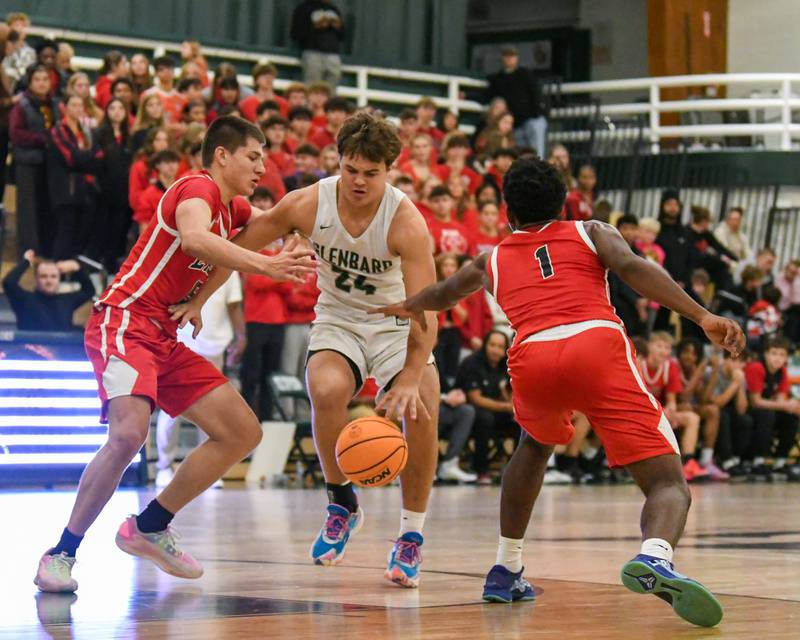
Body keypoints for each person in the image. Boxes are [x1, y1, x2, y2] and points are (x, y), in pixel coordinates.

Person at [375, 156, 744, 627]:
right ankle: (655, 556)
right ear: (564, 202)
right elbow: (634, 267)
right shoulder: (590, 230)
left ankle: (506, 569)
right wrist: (703, 317)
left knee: (532, 446)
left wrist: (407, 304)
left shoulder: (491, 258)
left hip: (532, 356)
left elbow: (443, 293)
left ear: (508, 212)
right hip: (596, 344)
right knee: (667, 481)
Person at [32, 116, 316, 593]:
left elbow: (278, 217)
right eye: (253, 155)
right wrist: (268, 265)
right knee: (128, 435)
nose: (262, 166)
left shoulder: (233, 208)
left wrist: (325, 217)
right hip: (125, 321)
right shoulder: (196, 189)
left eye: (265, 156)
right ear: (222, 155)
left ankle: (149, 525)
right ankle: (61, 553)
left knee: (241, 432)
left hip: (163, 337)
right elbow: (197, 240)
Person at [172, 112, 440, 588]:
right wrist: (199, 297)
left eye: (371, 173)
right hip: (339, 318)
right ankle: (341, 501)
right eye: (351, 169)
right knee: (324, 385)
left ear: (389, 172)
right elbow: (237, 245)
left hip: (397, 325)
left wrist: (413, 374)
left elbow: (427, 312)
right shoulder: (308, 203)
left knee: (419, 407)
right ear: (338, 161)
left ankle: (411, 536)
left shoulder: (406, 224)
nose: (358, 181)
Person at [155, 271, 245, 488]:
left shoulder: (228, 263)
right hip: (181, 343)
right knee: (172, 410)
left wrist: (241, 336)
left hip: (215, 346)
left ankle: (208, 471)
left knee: (212, 411)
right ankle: (164, 466)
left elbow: (233, 305)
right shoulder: (186, 258)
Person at [456, 329, 519, 485]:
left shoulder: (506, 365)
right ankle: (482, 470)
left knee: (521, 420)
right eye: (492, 345)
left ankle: (516, 470)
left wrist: (512, 405)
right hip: (468, 410)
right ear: (485, 345)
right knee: (485, 418)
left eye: (500, 346)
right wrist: (506, 406)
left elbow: (508, 391)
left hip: (496, 408)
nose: (495, 350)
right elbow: (475, 399)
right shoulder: (472, 363)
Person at [9, 65, 60, 257]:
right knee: (28, 209)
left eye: (45, 79)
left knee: (47, 206)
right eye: (37, 79)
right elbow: (16, 134)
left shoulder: (55, 104)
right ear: (30, 83)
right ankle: (27, 251)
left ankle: (47, 249)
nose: (41, 83)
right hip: (28, 162)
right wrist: (43, 139)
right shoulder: (22, 105)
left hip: (50, 163)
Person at [744, 335, 800, 480]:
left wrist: (791, 406)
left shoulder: (782, 372)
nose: (777, 358)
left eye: (782, 355)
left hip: (766, 408)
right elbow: (755, 401)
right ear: (766, 354)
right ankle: (758, 461)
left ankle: (780, 462)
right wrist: (786, 404)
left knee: (791, 416)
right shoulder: (757, 367)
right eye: (774, 353)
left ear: (786, 358)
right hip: (747, 409)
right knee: (767, 414)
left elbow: (780, 399)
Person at [3, 249, 94, 331]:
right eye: (44, 276)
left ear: (59, 279)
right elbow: (9, 283)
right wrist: (26, 262)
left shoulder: (67, 300)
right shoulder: (25, 299)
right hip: (30, 348)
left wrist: (77, 267)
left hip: (63, 348)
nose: (49, 281)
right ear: (36, 278)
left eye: (53, 276)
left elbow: (89, 290)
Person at [486, 47, 547, 158]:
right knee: (519, 157)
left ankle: (539, 168)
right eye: (506, 56)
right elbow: (486, 96)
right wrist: (465, 95)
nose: (509, 59)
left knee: (537, 150)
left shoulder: (525, 74)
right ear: (502, 58)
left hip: (530, 120)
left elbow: (537, 95)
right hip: (514, 125)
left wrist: (537, 112)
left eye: (512, 56)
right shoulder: (497, 79)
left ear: (517, 58)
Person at [290, 0, 344, 87]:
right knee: (312, 88)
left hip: (333, 55)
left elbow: (342, 36)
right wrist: (316, 26)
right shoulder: (303, 8)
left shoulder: (333, 9)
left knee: (331, 90)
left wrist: (337, 26)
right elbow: (295, 34)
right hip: (312, 53)